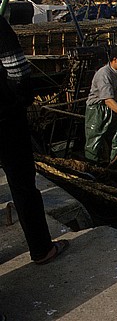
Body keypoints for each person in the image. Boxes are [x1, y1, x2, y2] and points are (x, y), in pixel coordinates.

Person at [0, 16, 68, 264]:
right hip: (5, 118)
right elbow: (18, 71)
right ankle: (41, 249)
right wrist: (19, 100)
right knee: (22, 185)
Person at [84, 45, 117, 163]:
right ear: (114, 60)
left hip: (113, 107)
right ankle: (92, 169)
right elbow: (108, 100)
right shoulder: (103, 74)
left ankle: (114, 165)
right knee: (95, 141)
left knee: (116, 139)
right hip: (98, 110)